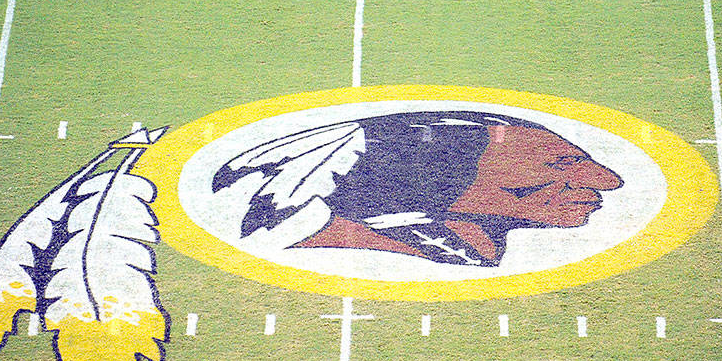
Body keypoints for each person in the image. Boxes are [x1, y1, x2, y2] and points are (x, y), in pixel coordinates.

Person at [212, 110, 622, 267]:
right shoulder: (380, 256)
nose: (609, 182)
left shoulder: (462, 251)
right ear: (434, 179)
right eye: (563, 164)